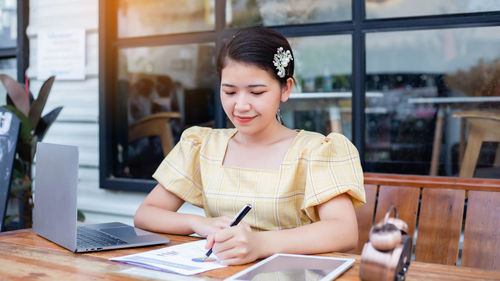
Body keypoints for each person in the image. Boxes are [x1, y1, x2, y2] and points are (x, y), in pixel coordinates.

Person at [134, 26, 365, 265]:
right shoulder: (203, 146)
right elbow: (146, 214)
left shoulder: (314, 151)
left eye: (256, 92)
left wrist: (259, 244)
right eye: (230, 91)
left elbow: (344, 231)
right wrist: (199, 223)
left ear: (285, 89)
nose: (241, 105)